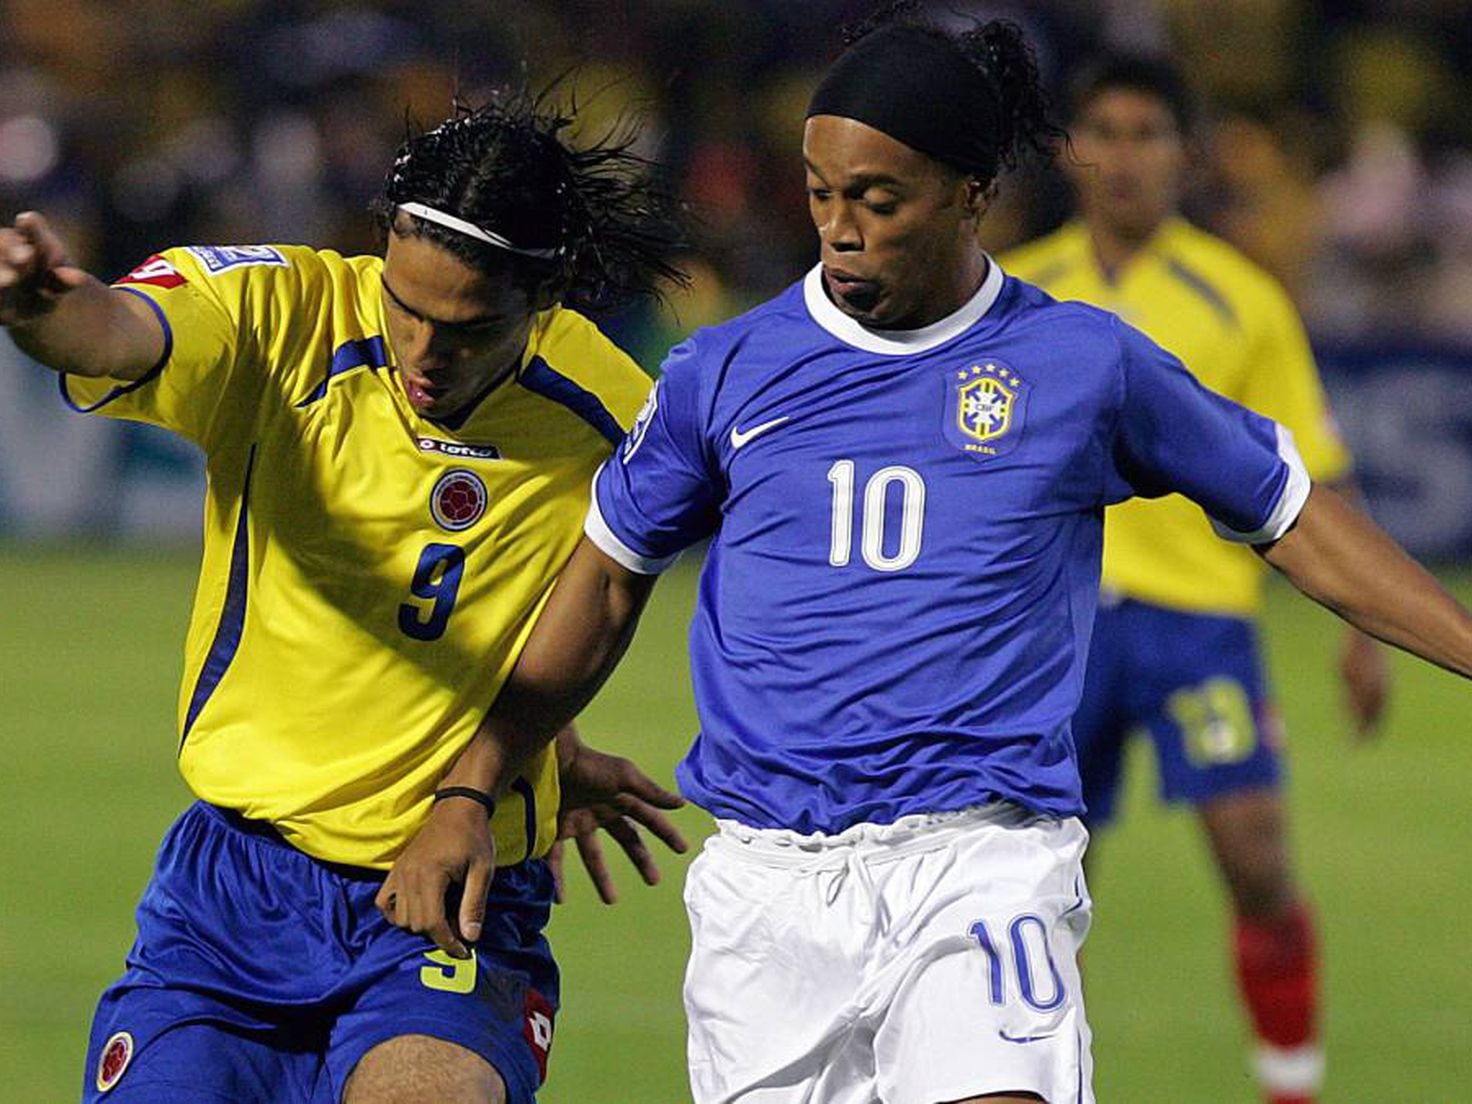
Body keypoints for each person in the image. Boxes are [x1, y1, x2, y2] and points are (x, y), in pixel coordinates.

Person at [382, 9, 1472, 1104]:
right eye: (819, 194)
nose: (839, 229)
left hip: (979, 861)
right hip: (766, 890)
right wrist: (471, 788)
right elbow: (607, 586)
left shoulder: (1079, 363)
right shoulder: (724, 374)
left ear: (968, 194)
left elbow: (1291, 514)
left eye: (876, 199)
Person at [0, 94, 690, 1104]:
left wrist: (523, 759)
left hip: (450, 893)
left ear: (544, 300)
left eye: (466, 328)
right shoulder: (279, 314)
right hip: (234, 889)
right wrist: (38, 311)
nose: (423, 351)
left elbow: (595, 605)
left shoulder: (613, 417)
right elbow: (117, 329)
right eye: (404, 308)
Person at [1000, 55, 1385, 1104]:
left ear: (1182, 153)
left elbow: (1312, 471)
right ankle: (1037, 1083)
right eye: (1104, 133)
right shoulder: (1017, 289)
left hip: (1197, 625)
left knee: (1255, 863)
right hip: (1052, 634)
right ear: (1070, 151)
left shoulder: (1241, 297)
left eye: (1146, 134)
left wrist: (1361, 633)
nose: (1123, 157)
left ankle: (1288, 1085)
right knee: (1040, 889)